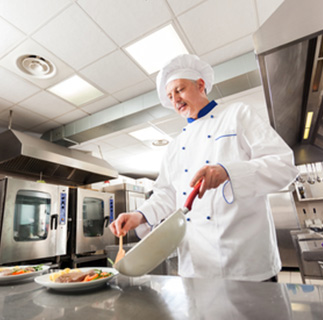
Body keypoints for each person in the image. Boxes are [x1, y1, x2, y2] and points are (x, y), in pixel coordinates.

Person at [109, 54, 299, 282]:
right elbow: (167, 193)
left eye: (179, 90)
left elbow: (283, 165)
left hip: (246, 263)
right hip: (196, 267)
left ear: (200, 85)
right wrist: (139, 215)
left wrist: (228, 172)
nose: (175, 100)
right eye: (170, 96)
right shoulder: (175, 146)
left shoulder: (237, 115)